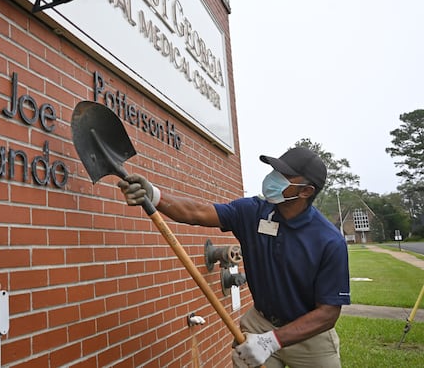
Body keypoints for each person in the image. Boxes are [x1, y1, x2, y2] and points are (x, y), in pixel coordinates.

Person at [117, 147, 350, 367]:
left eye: (284, 175)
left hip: (308, 334)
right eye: (275, 170)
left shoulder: (329, 241)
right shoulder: (253, 212)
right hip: (261, 322)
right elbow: (196, 212)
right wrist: (154, 195)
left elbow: (328, 314)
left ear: (305, 191)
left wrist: (271, 342)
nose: (273, 177)